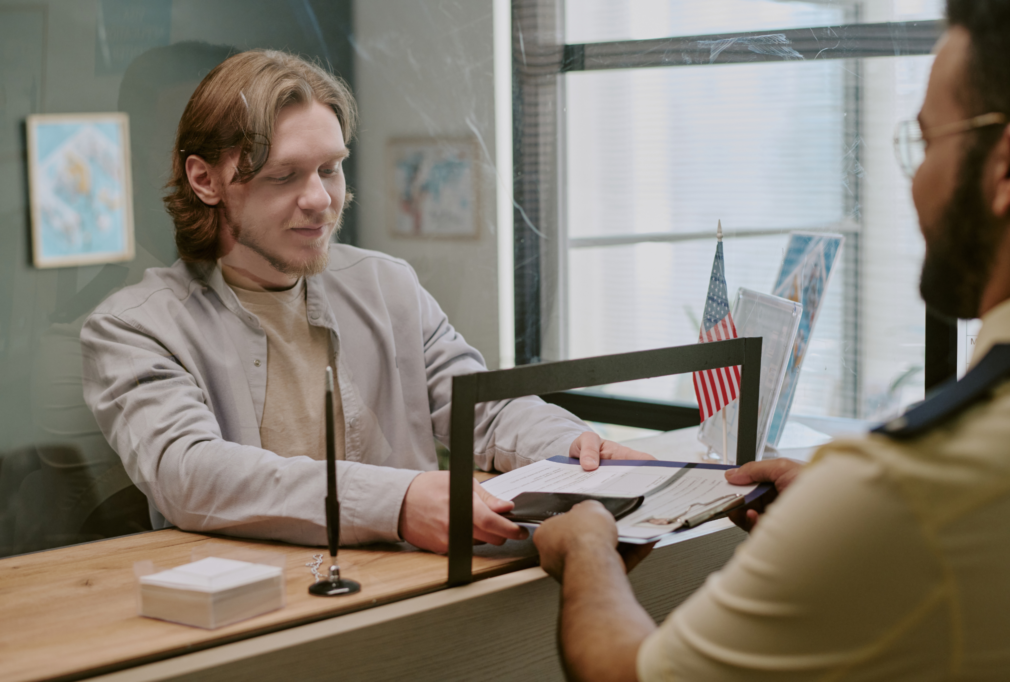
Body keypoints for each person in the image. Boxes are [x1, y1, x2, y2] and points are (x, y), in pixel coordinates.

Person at [533, 1, 1010, 679]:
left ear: (1007, 166)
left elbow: (625, 671)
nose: (914, 181)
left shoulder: (916, 483)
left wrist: (587, 545)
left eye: (926, 142)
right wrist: (845, 511)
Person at [81, 49, 647, 554]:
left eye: (331, 168)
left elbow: (481, 407)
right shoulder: (132, 328)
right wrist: (397, 501)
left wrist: (573, 444)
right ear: (205, 180)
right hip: (245, 612)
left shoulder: (386, 284)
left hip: (407, 591)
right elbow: (191, 476)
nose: (320, 199)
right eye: (284, 176)